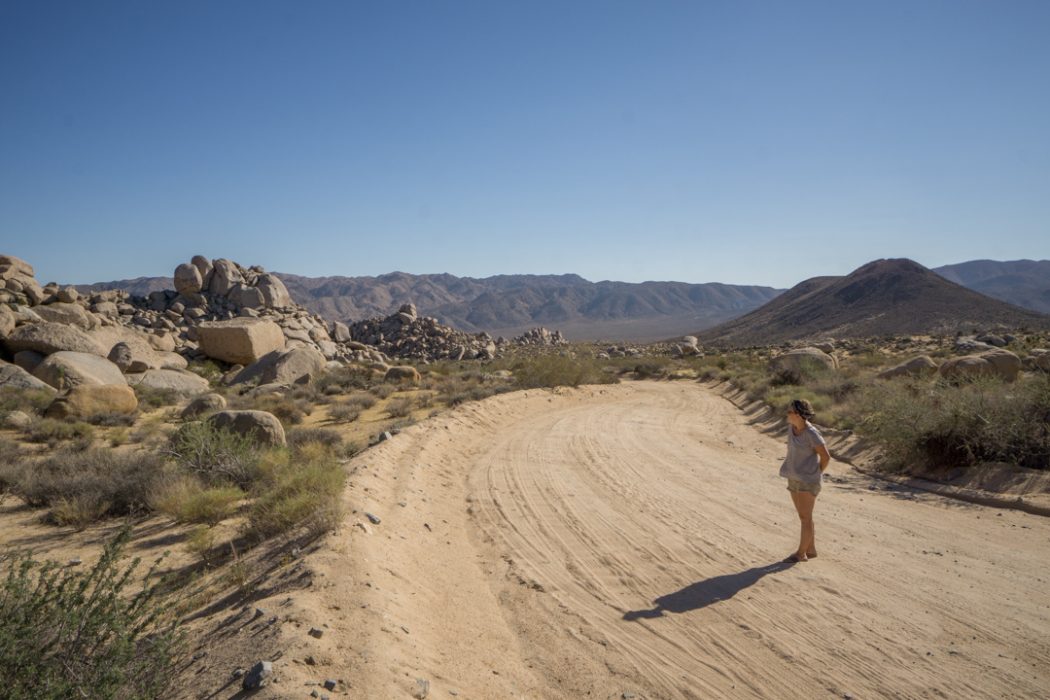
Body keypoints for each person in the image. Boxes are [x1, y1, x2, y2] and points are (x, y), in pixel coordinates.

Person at [780, 398, 831, 562]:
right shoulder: (792, 427)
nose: (787, 414)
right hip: (793, 478)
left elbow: (825, 456)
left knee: (805, 518)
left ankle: (800, 553)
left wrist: (816, 473)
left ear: (799, 415)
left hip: (808, 481)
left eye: (790, 411)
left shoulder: (811, 433)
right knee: (805, 517)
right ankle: (811, 550)